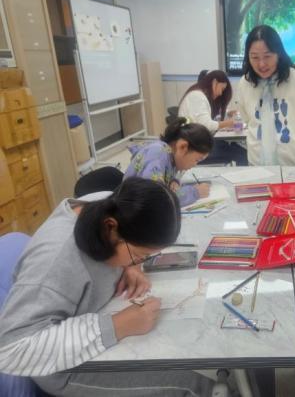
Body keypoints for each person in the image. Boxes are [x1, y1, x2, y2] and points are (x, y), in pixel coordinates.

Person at [0, 178, 212, 396]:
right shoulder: (55, 261)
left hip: (99, 323)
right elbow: (12, 350)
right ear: (110, 228)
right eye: (139, 255)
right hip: (64, 366)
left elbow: (128, 242)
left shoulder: (107, 204)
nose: (140, 262)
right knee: (192, 385)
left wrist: (131, 266)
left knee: (187, 354)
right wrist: (118, 325)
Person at [235, 25, 295, 166]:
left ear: (278, 53)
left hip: (292, 161)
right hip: (257, 161)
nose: (261, 64)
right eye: (254, 57)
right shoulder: (245, 83)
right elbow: (247, 118)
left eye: (267, 56)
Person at [124, 119, 213, 207]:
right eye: (197, 160)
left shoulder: (172, 156)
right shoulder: (157, 154)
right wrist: (195, 192)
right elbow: (156, 199)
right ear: (182, 147)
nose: (195, 165)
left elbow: (169, 175)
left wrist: (174, 180)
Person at [178, 69, 248, 165]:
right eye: (222, 89)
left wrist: (227, 114)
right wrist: (230, 123)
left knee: (236, 148)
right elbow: (207, 125)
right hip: (195, 148)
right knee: (241, 153)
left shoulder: (199, 95)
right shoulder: (197, 97)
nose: (220, 93)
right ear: (215, 82)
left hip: (197, 143)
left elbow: (208, 117)